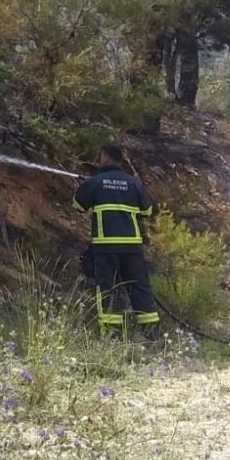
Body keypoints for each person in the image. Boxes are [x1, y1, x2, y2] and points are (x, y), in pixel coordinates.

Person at [73, 144, 160, 341]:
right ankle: (152, 336)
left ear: (104, 157)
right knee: (140, 289)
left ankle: (112, 338)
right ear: (120, 160)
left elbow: (78, 205)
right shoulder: (133, 183)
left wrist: (82, 186)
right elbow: (147, 211)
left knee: (108, 289)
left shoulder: (95, 182)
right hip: (132, 248)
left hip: (106, 247)